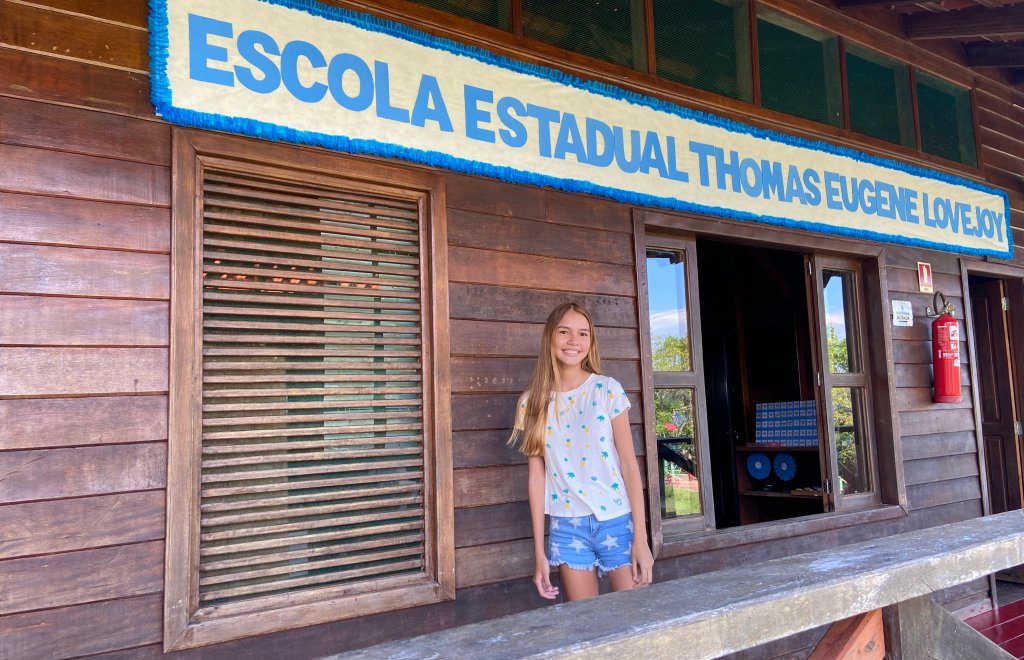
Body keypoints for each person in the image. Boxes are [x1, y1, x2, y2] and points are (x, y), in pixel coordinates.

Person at [510, 302, 654, 601]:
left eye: (583, 334)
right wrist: (539, 552)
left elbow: (629, 465)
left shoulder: (607, 390)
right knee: (586, 625)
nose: (573, 341)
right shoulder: (532, 402)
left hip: (616, 519)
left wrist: (640, 537)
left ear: (591, 342)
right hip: (567, 525)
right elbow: (537, 479)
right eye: (564, 332)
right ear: (550, 337)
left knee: (632, 618)